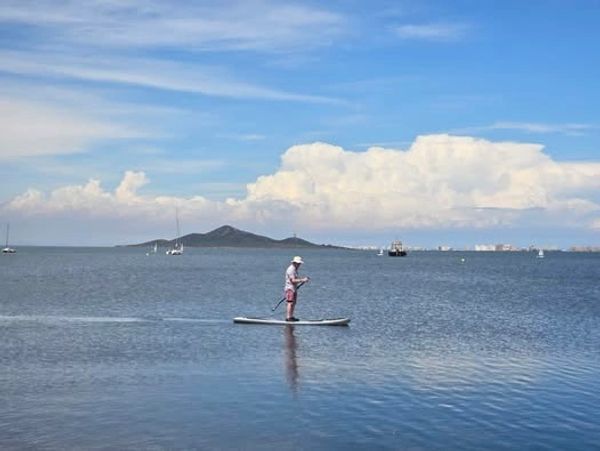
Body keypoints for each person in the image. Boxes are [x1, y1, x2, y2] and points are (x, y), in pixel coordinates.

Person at [284, 256, 309, 322]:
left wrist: (302, 281)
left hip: (294, 289)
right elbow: (293, 280)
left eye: (299, 263)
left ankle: (291, 317)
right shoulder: (291, 269)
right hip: (290, 288)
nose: (299, 265)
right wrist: (302, 280)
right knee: (290, 302)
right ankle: (288, 317)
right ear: (294, 263)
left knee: (294, 303)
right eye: (298, 263)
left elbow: (295, 280)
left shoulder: (294, 269)